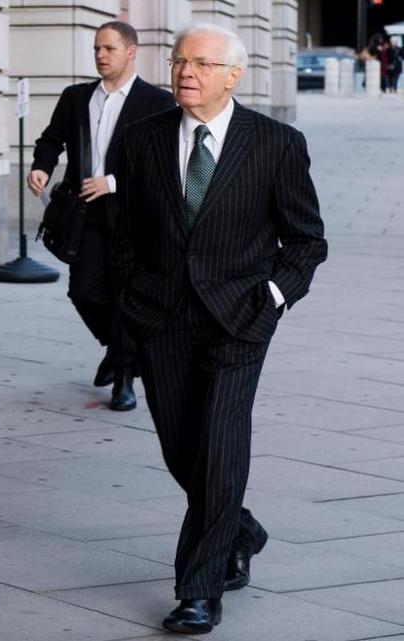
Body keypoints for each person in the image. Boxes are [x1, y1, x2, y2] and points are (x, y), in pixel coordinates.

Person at [114, 23, 327, 633]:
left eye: (203, 64)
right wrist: (131, 297)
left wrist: (273, 297)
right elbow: (125, 231)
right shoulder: (141, 139)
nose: (187, 72)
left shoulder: (276, 143)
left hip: (240, 320)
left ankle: (199, 589)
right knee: (182, 450)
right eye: (180, 61)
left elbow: (307, 240)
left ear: (233, 75)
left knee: (220, 446)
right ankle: (241, 528)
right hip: (161, 317)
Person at [29, 21, 175, 412]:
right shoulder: (76, 97)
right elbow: (51, 138)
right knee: (83, 291)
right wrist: (42, 165)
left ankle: (124, 379)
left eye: (109, 48)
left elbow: (164, 163)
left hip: (133, 217)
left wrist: (112, 182)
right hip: (84, 215)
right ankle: (118, 350)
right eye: (97, 48)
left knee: (125, 295)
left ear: (131, 52)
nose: (100, 55)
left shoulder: (157, 102)